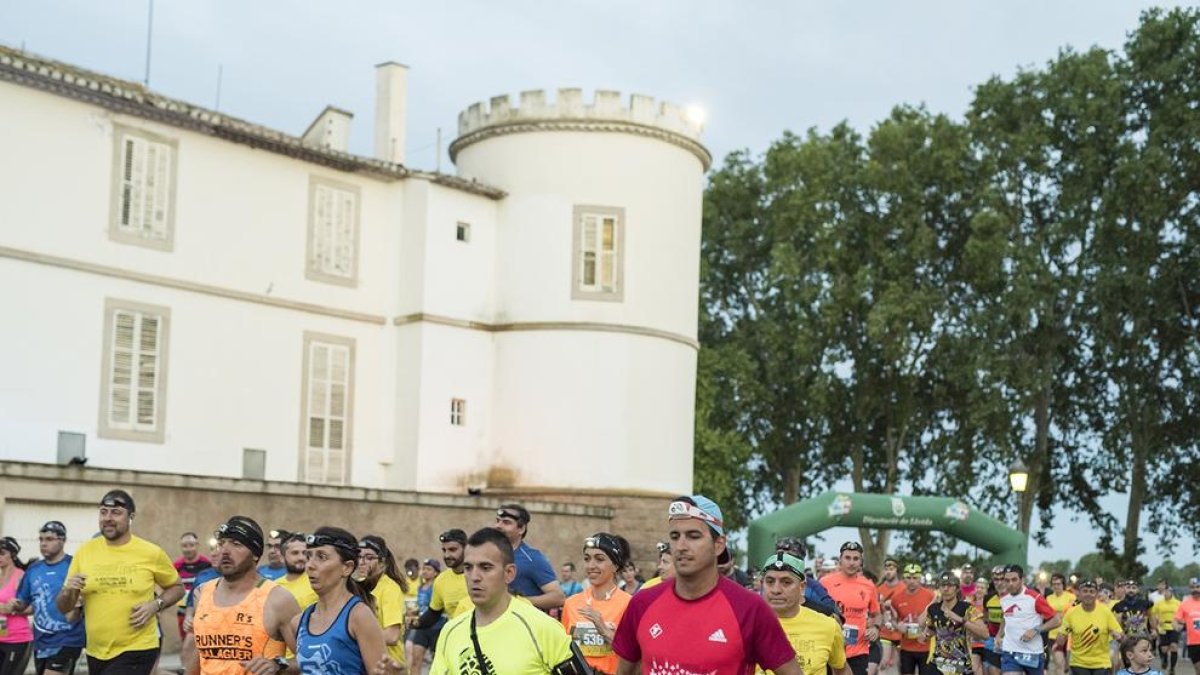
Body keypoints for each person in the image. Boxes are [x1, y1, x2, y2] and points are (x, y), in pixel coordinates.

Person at [612, 495, 800, 675]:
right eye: (675, 536)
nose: (681, 546)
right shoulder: (642, 603)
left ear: (718, 545)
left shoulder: (749, 609)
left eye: (693, 536)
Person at [57, 490, 184, 675]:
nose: (108, 518)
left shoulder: (150, 552)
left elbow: (177, 588)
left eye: (116, 512)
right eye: (103, 512)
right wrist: (69, 591)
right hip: (96, 651)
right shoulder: (85, 552)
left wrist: (155, 605)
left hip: (137, 648)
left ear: (131, 517)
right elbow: (64, 608)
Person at [425, 528, 576, 675]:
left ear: (509, 573)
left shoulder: (543, 628)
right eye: (468, 567)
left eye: (485, 567)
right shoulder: (451, 632)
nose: (474, 577)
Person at [190, 516, 302, 675]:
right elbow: (200, 653)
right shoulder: (202, 593)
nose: (225, 551)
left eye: (236, 544)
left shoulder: (278, 599)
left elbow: (308, 659)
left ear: (255, 554)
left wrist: (278, 664)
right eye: (221, 544)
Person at [290, 527, 386, 675]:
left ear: (347, 568)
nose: (309, 565)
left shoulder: (359, 617)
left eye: (322, 557)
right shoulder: (299, 622)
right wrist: (278, 665)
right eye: (309, 556)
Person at [10, 522, 86, 675]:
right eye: (41, 539)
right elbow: (23, 603)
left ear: (62, 540)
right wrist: (15, 605)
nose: (44, 544)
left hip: (68, 638)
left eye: (49, 539)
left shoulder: (74, 565)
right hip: (41, 640)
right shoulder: (34, 569)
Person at [760, 551, 848, 675]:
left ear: (802, 587)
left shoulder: (828, 626)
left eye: (786, 582)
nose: (776, 590)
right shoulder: (744, 625)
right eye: (770, 581)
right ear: (761, 584)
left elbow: (842, 670)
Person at [561, 533, 633, 675]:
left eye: (599, 559)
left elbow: (635, 655)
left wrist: (604, 630)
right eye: (587, 559)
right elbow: (563, 651)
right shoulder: (571, 604)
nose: (591, 566)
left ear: (616, 566)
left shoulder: (629, 604)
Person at [823, 541, 883, 675]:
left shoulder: (868, 586)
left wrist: (875, 628)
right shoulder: (825, 582)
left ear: (861, 562)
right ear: (840, 560)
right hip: (830, 649)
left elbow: (877, 614)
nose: (851, 562)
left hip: (858, 651)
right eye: (847, 558)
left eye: (856, 559)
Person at [492, 505, 565, 612]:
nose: (498, 526)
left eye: (506, 522)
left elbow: (558, 597)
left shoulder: (532, 558)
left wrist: (520, 601)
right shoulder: (489, 554)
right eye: (498, 521)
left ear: (521, 529)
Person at [355, 536, 408, 673]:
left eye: (369, 557)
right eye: (359, 557)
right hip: (369, 665)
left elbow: (392, 636)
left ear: (382, 561)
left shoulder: (390, 588)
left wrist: (354, 638)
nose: (362, 562)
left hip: (389, 666)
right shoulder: (360, 586)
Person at [998, 564, 1060, 675]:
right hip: (1010, 651)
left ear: (1022, 580)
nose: (1010, 583)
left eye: (1014, 580)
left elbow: (1057, 620)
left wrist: (1036, 630)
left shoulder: (1034, 597)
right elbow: (1006, 617)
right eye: (1007, 580)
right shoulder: (1003, 599)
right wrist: (999, 635)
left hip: (1033, 653)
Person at [925, 572, 988, 675]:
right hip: (938, 664)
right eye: (943, 585)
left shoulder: (968, 608)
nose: (946, 589)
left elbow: (985, 634)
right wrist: (924, 635)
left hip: (961, 665)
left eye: (950, 585)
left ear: (957, 588)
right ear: (939, 588)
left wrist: (960, 620)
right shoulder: (933, 609)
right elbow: (930, 630)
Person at [1056, 580, 1123, 675]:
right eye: (1085, 591)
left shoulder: (1105, 612)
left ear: (1096, 594)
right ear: (1079, 593)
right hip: (1079, 663)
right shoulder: (1071, 613)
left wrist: (1118, 636)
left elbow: (1120, 635)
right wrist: (1061, 637)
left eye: (1092, 591)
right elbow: (1060, 640)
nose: (1088, 594)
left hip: (1101, 663)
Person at [410, 530, 470, 633]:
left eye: (452, 549)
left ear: (466, 549)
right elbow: (434, 613)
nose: (447, 555)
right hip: (456, 638)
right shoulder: (441, 580)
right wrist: (417, 623)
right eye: (444, 550)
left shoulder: (478, 575)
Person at [891, 564, 936, 675]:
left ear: (920, 578)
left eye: (915, 578)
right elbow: (891, 620)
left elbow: (937, 618)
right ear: (904, 578)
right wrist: (897, 626)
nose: (912, 581)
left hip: (926, 647)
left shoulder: (930, 596)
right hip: (906, 648)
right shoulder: (896, 598)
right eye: (909, 578)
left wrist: (927, 630)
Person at [0, 536, 33, 675]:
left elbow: (34, 607)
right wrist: (3, 608)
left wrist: (15, 610)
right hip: (1, 635)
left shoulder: (21, 577)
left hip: (17, 639)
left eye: (2, 553)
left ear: (12, 555)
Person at [404, 558, 443, 674]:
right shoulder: (420, 587)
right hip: (422, 627)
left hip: (437, 627)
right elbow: (419, 606)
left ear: (436, 572)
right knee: (415, 660)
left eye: (429, 569)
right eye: (424, 569)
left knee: (437, 661)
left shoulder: (437, 587)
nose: (425, 572)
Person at [174, 532, 213, 638]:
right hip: (182, 613)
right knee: (186, 644)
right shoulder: (176, 566)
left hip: (203, 614)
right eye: (184, 546)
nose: (188, 549)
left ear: (197, 545)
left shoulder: (208, 565)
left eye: (191, 545)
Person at [275, 532, 318, 610]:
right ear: (282, 557)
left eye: (305, 553)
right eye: (295, 553)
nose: (301, 558)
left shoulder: (317, 581)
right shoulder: (275, 586)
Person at [1046, 574, 1077, 675]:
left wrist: (1058, 614)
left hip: (1069, 635)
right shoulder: (1049, 598)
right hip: (1054, 634)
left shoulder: (1071, 597)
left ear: (1063, 584)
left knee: (1067, 666)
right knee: (1059, 663)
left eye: (1058, 584)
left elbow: (1073, 613)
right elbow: (1047, 614)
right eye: (1054, 584)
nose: (1056, 586)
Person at [879, 558, 904, 675]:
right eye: (886, 569)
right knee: (882, 665)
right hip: (884, 632)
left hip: (901, 633)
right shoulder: (878, 589)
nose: (888, 572)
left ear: (896, 570)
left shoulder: (904, 588)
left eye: (891, 569)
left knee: (900, 667)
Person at [1150, 582, 1181, 675]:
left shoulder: (1178, 603)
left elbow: (1182, 615)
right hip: (1163, 627)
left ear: (1172, 592)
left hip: (1174, 627)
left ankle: (1172, 668)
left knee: (1174, 647)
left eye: (1168, 591)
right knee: (1164, 648)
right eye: (1165, 592)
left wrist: (1181, 624)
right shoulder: (1159, 603)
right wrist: (1155, 626)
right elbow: (1153, 615)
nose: (1166, 593)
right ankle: (1165, 660)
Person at [1172, 580, 1200, 672]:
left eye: (1198, 587)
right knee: (1198, 669)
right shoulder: (1184, 604)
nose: (1195, 589)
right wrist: (1176, 626)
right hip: (1193, 642)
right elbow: (1175, 620)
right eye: (1193, 587)